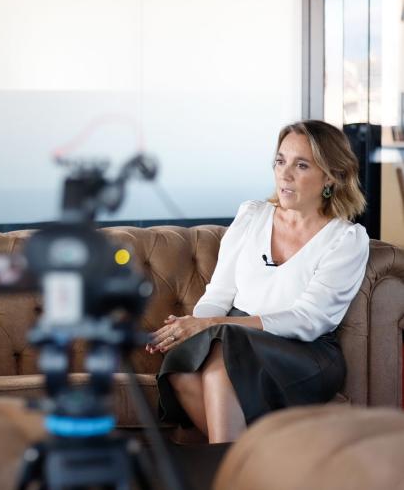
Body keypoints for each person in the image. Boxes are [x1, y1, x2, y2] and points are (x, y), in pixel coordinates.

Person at [148, 120, 369, 443]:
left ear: (331, 177)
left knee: (224, 351)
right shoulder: (252, 215)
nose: (285, 174)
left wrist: (209, 325)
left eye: (301, 165)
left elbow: (308, 321)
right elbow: (219, 294)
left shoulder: (346, 239)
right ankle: (252, 467)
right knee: (180, 366)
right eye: (280, 161)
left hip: (302, 352)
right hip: (231, 336)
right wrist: (187, 328)